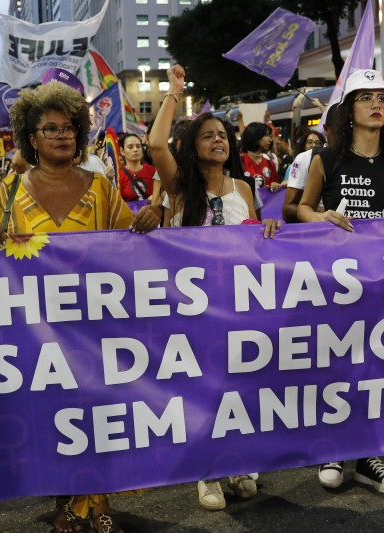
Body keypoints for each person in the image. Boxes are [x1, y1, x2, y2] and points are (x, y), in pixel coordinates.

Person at [0, 81, 160, 533]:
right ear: (31, 138)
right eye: (50, 128)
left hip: (93, 325)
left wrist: (152, 220)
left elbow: (127, 242)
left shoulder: (100, 186)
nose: (62, 135)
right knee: (53, 412)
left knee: (95, 408)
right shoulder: (12, 186)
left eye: (69, 128)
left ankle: (95, 501)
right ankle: (68, 498)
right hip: (36, 329)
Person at [149, 64, 278, 511]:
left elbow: (259, 244)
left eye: (223, 135)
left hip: (241, 308)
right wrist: (174, 92)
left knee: (241, 388)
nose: (219, 140)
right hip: (195, 310)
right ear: (191, 147)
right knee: (203, 391)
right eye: (208, 136)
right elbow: (153, 144)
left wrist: (272, 227)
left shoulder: (244, 186)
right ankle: (207, 472)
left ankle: (239, 461)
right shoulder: (180, 188)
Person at [297, 68, 384, 494]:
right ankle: (333, 447)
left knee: (376, 369)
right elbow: (302, 210)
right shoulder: (325, 159)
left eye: (382, 98)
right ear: (350, 110)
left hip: (383, 286)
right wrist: (321, 216)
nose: (376, 104)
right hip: (335, 283)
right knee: (338, 366)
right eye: (366, 98)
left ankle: (367, 457)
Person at [282, 126, 328, 222]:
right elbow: (287, 209)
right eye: (310, 142)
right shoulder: (302, 159)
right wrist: (319, 213)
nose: (314, 145)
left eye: (317, 143)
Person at [240, 122, 281, 192]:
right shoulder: (240, 161)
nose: (270, 140)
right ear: (255, 136)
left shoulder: (270, 163)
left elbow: (274, 191)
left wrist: (275, 185)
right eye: (267, 135)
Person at [118, 133, 156, 202]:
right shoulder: (118, 175)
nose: (135, 150)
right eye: (130, 147)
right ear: (122, 151)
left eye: (138, 146)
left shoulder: (152, 171)